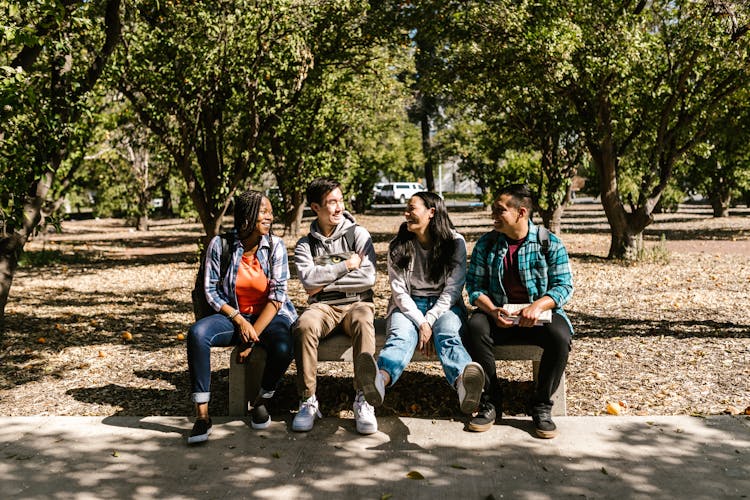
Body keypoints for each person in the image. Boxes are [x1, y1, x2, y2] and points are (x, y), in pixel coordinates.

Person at [355, 192, 485, 421]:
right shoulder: (398, 246)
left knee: (448, 335)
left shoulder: (455, 243)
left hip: (445, 306)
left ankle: (465, 386)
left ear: (431, 212)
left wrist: (431, 320)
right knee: (400, 338)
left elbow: (453, 290)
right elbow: (399, 292)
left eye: (411, 208)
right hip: (407, 307)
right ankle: (379, 382)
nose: (406, 214)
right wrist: (421, 322)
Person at [463, 183, 574, 438]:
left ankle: (541, 406)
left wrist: (538, 306)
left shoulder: (548, 242)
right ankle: (491, 402)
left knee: (561, 336)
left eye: (500, 210)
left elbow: (564, 286)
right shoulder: (487, 244)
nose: (493, 215)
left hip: (537, 317)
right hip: (499, 317)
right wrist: (492, 311)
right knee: (475, 326)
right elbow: (475, 287)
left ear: (521, 213)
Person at [186, 190, 297, 444]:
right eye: (264, 211)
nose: (270, 216)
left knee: (283, 346)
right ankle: (202, 417)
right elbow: (211, 291)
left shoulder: (275, 246)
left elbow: (278, 296)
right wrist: (239, 320)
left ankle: (260, 401)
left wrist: (250, 338)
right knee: (197, 334)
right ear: (246, 216)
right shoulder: (220, 244)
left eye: (270, 211)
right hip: (233, 315)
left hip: (269, 316)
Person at [292, 177, 378, 434]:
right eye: (332, 202)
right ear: (316, 208)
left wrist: (323, 279)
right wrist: (345, 265)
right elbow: (308, 281)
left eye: (341, 200)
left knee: (364, 321)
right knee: (304, 325)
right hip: (323, 307)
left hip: (357, 302)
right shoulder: (305, 245)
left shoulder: (359, 234)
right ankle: (308, 400)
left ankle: (364, 398)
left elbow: (368, 277)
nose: (339, 207)